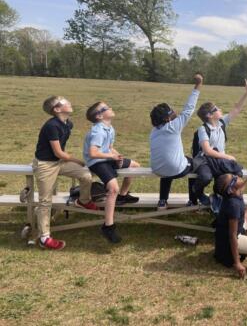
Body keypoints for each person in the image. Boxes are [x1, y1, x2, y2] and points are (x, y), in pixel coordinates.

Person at [33, 96, 94, 250]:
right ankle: (44, 238)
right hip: (46, 165)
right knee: (45, 201)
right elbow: (59, 152)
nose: (69, 102)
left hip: (59, 163)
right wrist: (77, 160)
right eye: (65, 102)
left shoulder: (68, 123)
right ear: (57, 109)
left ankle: (83, 200)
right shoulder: (51, 126)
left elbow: (60, 154)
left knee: (86, 175)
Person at [83, 101, 140, 243]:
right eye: (106, 108)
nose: (111, 108)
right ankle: (108, 226)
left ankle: (123, 196)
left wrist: (118, 156)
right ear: (100, 116)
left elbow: (109, 147)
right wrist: (111, 156)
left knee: (134, 166)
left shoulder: (109, 128)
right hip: (96, 162)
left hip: (107, 158)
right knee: (113, 188)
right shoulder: (98, 130)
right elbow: (93, 153)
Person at [191, 79, 247, 205]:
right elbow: (207, 151)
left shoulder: (222, 123)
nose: (220, 109)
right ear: (209, 115)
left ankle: (220, 195)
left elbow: (237, 109)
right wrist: (227, 156)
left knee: (235, 174)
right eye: (216, 108)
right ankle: (197, 192)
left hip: (219, 160)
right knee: (205, 177)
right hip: (205, 161)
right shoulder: (203, 129)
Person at [149, 74, 203, 210]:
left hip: (157, 168)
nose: (175, 113)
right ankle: (193, 200)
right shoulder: (173, 126)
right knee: (194, 164)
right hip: (176, 169)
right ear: (167, 119)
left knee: (167, 167)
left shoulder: (154, 131)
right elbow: (188, 109)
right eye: (171, 112)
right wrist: (198, 86)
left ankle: (162, 201)